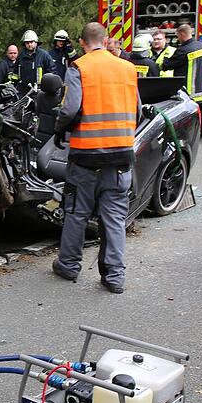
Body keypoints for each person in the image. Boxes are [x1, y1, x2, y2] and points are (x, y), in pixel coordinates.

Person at [50, 22, 140, 294]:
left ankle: (68, 266)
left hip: (86, 158)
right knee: (114, 218)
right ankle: (114, 277)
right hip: (121, 159)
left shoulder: (79, 67)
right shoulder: (127, 68)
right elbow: (138, 110)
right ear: (105, 40)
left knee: (77, 212)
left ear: (82, 42)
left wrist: (58, 131)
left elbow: (69, 109)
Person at [159, 24, 202, 101]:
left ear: (182, 34)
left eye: (178, 36)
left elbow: (166, 66)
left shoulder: (184, 50)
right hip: (199, 92)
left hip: (187, 94)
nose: (178, 39)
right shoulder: (200, 46)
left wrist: (165, 53)